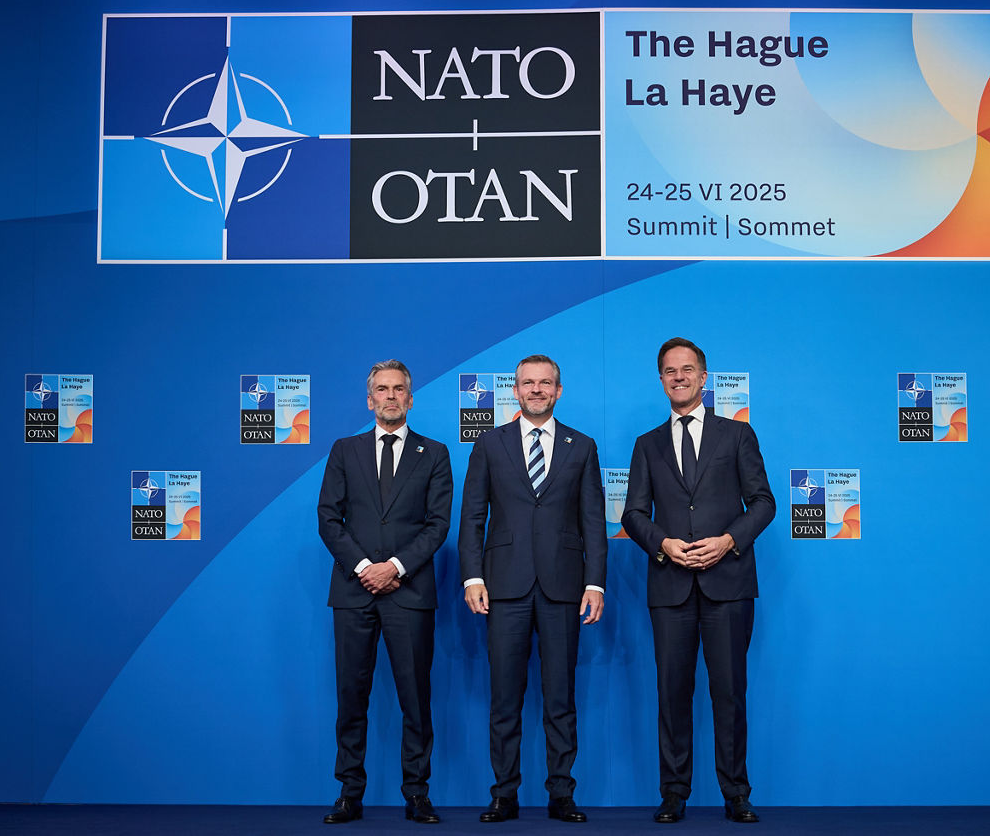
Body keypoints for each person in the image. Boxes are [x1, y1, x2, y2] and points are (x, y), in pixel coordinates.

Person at [621, 338, 775, 825]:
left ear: (704, 378)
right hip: (669, 586)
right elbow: (631, 512)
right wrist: (662, 543)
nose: (679, 377)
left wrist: (729, 541)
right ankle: (673, 794)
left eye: (688, 370)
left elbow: (765, 502)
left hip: (727, 583)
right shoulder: (647, 444)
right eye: (670, 371)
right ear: (661, 379)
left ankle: (736, 794)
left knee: (729, 692)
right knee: (672, 694)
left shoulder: (737, 436)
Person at [459, 354, 607, 824]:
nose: (537, 390)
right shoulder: (488, 444)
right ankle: (504, 793)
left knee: (560, 697)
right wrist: (473, 576)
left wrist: (595, 581)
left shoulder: (581, 446)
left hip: (564, 587)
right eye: (528, 383)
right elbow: (472, 517)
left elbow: (592, 522)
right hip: (503, 587)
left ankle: (561, 793)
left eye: (546, 383)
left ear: (558, 391)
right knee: (505, 697)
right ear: (516, 391)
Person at [317, 360, 453, 825]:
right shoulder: (343, 450)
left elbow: (438, 525)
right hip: (354, 593)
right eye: (382, 389)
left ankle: (417, 793)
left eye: (398, 389)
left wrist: (393, 567)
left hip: (409, 593)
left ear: (410, 399)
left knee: (415, 697)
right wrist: (363, 568)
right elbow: (328, 519)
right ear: (369, 399)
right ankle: (349, 792)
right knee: (351, 695)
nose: (390, 396)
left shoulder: (433, 453)